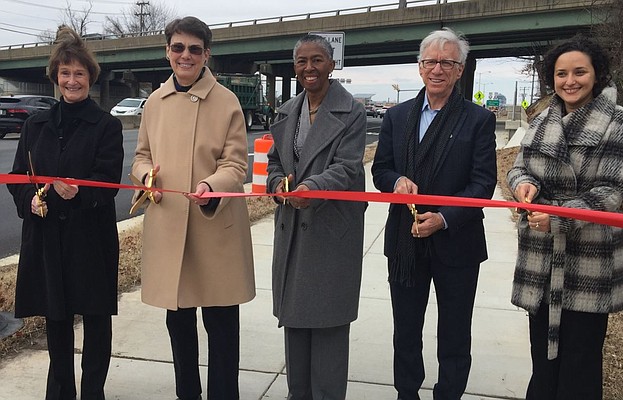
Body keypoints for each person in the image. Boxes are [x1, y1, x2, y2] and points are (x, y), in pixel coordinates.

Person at [507, 37, 623, 399]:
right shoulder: (542, 120)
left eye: (579, 72)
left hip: (588, 258)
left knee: (580, 362)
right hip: (541, 255)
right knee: (542, 359)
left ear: (596, 75)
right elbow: (518, 169)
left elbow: (612, 191)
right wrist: (525, 187)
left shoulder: (619, 122)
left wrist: (559, 218)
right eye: (561, 73)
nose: (570, 81)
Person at [131, 16, 255, 400]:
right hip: (170, 229)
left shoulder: (227, 101)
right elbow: (140, 157)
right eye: (178, 47)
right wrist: (147, 176)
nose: (186, 56)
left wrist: (210, 185)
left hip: (214, 226)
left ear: (207, 54)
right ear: (167, 51)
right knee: (179, 325)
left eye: (195, 49)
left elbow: (236, 164)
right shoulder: (154, 102)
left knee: (221, 327)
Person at [371, 28, 497, 400]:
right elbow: (380, 170)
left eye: (447, 62)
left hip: (456, 241)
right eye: (430, 61)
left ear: (460, 70)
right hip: (405, 240)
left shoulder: (477, 119)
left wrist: (443, 217)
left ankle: (449, 394)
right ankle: (406, 392)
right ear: (419, 66)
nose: (437, 69)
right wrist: (395, 182)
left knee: (455, 333)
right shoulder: (397, 116)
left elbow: (482, 183)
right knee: (405, 330)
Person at [7, 26, 123, 400]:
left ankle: (93, 392)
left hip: (89, 239)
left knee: (96, 319)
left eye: (79, 73)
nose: (72, 81)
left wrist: (80, 192)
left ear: (90, 77)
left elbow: (108, 181)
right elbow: (17, 177)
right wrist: (30, 199)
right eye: (65, 73)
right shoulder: (34, 125)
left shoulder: (107, 125)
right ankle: (60, 392)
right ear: (55, 77)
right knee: (55, 318)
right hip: (46, 238)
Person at [266, 34, 367, 399]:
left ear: (331, 64)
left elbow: (348, 167)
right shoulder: (286, 111)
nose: (309, 68)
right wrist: (277, 183)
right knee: (295, 325)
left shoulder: (352, 112)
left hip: (330, 232)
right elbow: (274, 161)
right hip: (292, 229)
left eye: (317, 60)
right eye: (301, 61)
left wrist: (312, 188)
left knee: (328, 328)